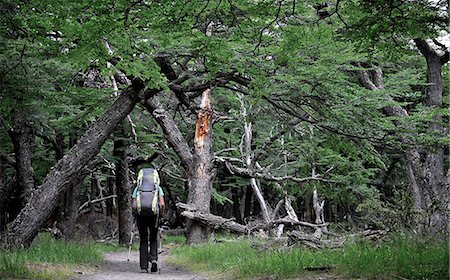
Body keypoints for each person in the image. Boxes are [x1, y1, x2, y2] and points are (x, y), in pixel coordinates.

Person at [131, 167, 165, 273]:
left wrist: (136, 213)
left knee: (143, 240)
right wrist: (162, 215)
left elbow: (133, 205)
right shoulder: (157, 188)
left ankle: (144, 267)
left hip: (141, 216)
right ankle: (154, 259)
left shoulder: (138, 189)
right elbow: (162, 204)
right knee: (153, 238)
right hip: (154, 216)